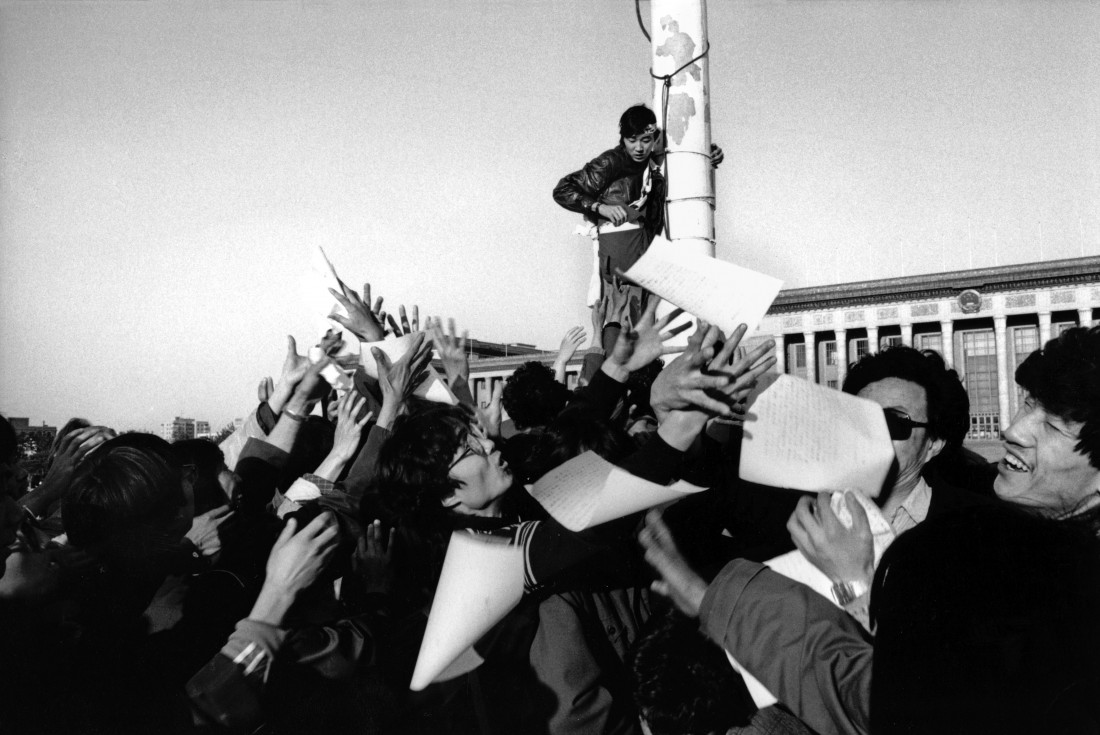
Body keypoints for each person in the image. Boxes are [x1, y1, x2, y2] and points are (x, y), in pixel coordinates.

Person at [553, 105, 723, 321]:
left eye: (645, 140)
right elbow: (563, 189)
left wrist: (708, 152)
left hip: (644, 256)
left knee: (646, 328)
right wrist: (599, 207)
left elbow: (678, 153)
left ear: (654, 138)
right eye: (632, 140)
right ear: (623, 138)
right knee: (624, 329)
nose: (639, 147)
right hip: (621, 259)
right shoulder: (611, 161)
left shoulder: (652, 163)